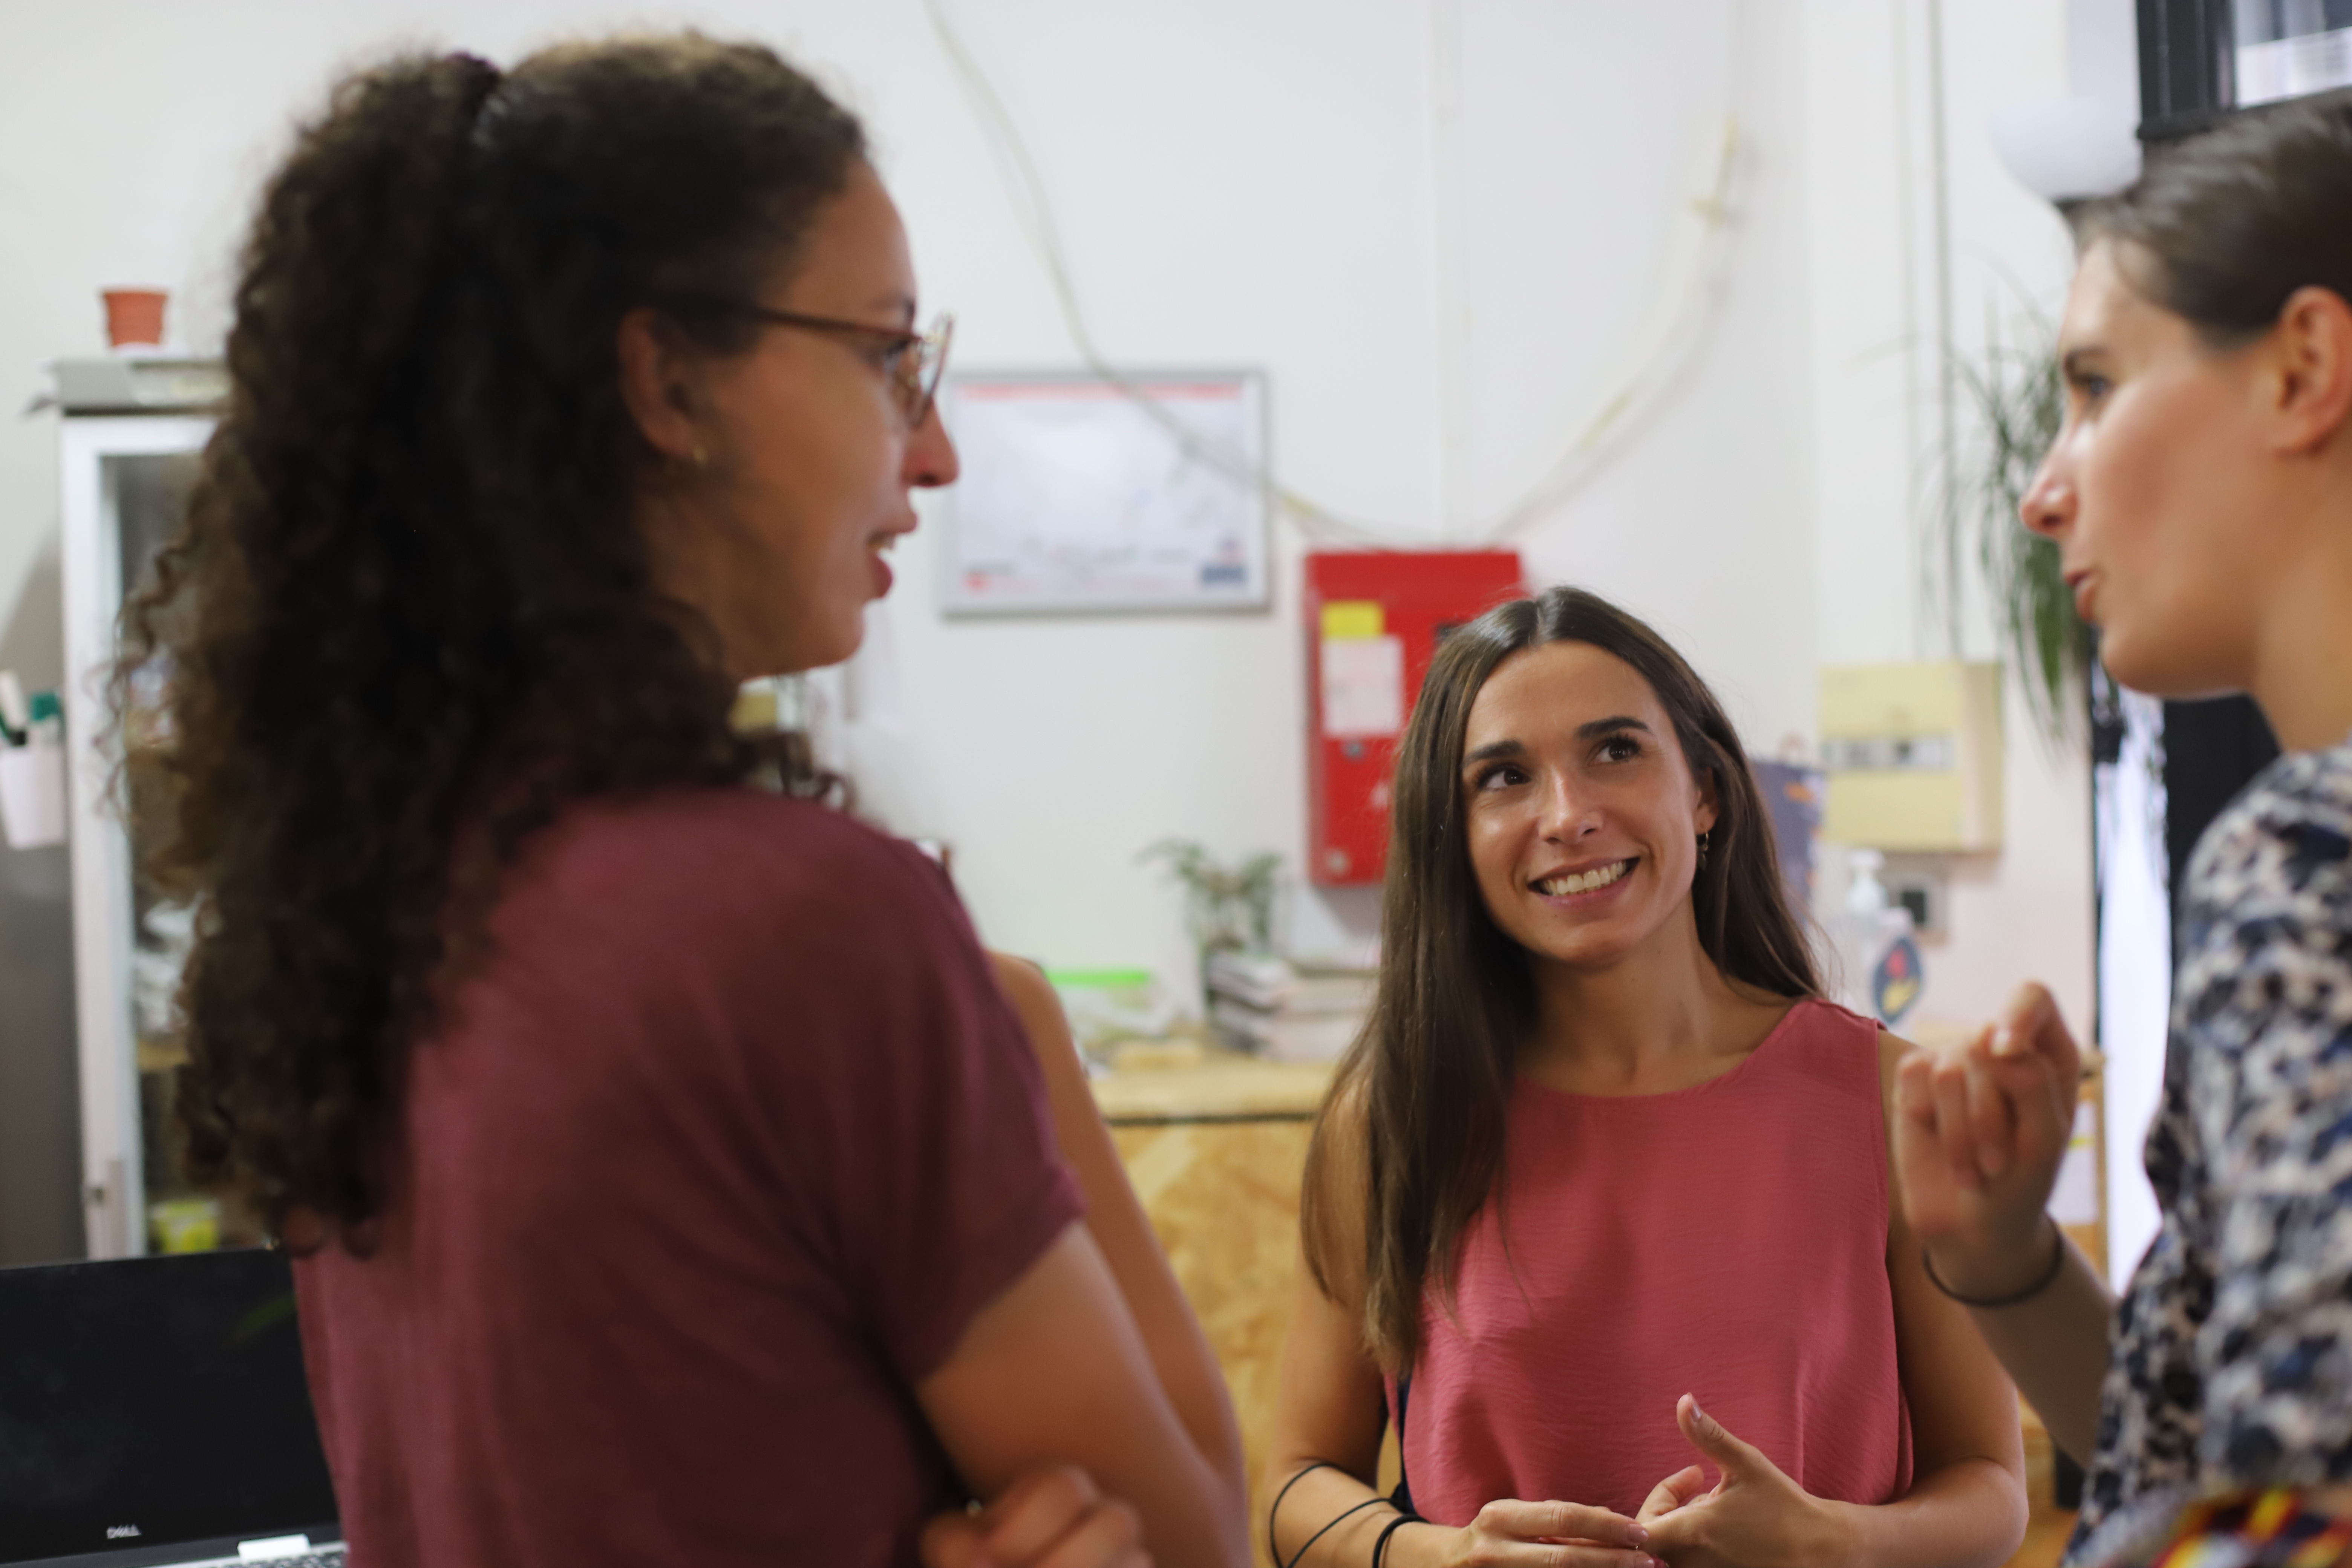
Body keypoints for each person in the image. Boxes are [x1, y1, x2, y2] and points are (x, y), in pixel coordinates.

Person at [115, 36, 1248, 1568]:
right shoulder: (800, 920)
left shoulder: (366, 907)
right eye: (885, 353)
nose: (935, 449)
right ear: (666, 380)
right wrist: (1020, 1022)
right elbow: (1190, 1535)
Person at [1264, 587, 2028, 1568]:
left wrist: (1832, 1542)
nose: (1570, 815)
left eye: (1615, 751)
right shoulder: (1394, 1120)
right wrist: (1439, 1559)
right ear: (1452, 834)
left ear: (1704, 792)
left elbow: (1994, 1491)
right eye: (1504, 777)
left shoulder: (1888, 1098)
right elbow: (1295, 1483)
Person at [1893, 97, 2352, 1566]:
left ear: (2304, 366)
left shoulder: (2308, 857)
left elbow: (2307, 1504)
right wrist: (2010, 1262)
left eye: (2096, 383)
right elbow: (2214, 1455)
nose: (2043, 489)